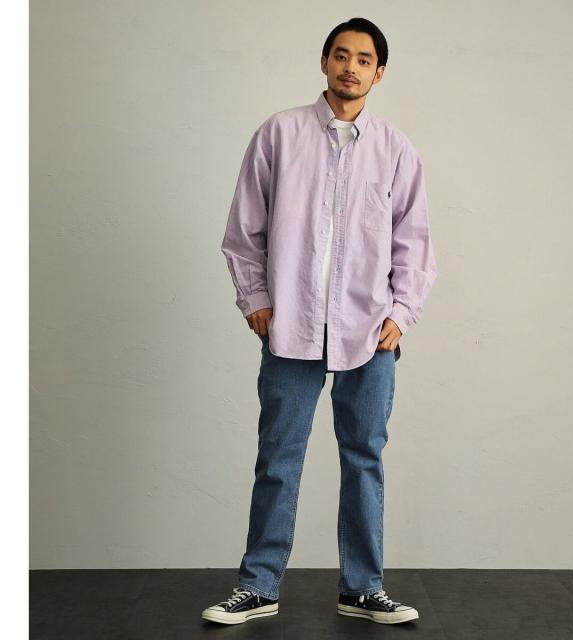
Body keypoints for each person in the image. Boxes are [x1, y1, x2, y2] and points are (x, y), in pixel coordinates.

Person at [202, 16, 438, 626]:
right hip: (292, 326)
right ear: (325, 61)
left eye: (364, 59)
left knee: (365, 459)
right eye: (341, 54)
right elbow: (244, 229)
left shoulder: (396, 150)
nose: (350, 67)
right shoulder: (279, 135)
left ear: (379, 73)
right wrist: (255, 298)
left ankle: (362, 588)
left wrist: (402, 312)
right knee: (278, 456)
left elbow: (414, 241)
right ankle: (258, 586)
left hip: (369, 333)